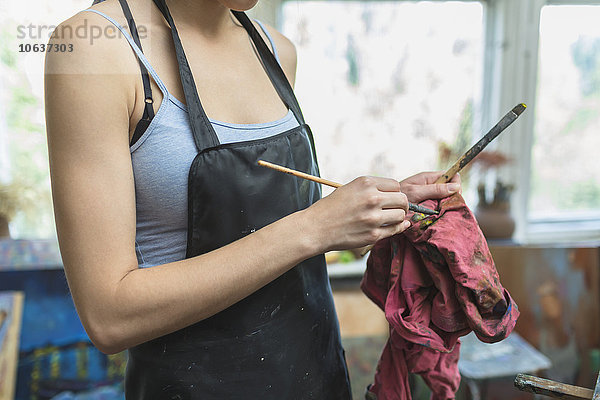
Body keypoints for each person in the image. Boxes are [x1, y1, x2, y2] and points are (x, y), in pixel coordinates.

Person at [44, 0, 461, 398]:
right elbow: (108, 316)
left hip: (318, 380)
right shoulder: (96, 47)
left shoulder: (277, 51)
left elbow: (274, 227)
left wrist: (376, 211)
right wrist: (315, 227)